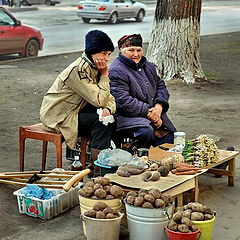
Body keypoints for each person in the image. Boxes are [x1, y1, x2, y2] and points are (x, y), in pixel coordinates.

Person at [40, 30, 116, 172]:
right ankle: (98, 169)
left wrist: (108, 109)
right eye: (103, 53)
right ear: (93, 52)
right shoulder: (79, 69)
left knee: (109, 118)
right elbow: (100, 100)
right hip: (58, 115)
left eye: (109, 55)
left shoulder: (94, 67)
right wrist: (105, 75)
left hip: (75, 109)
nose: (106, 59)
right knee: (101, 122)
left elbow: (109, 98)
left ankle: (100, 163)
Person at [109, 34, 176, 149]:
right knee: (146, 132)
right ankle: (139, 159)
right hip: (126, 117)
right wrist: (150, 113)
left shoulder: (148, 66)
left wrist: (159, 107)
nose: (136, 54)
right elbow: (123, 101)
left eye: (139, 50)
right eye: (131, 50)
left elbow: (161, 87)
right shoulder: (116, 70)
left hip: (154, 114)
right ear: (121, 50)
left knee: (170, 139)